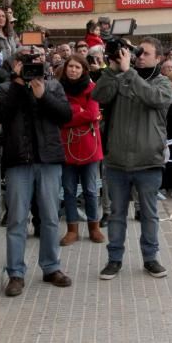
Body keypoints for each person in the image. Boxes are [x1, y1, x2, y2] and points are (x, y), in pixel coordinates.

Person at [0, 48, 73, 295]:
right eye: (27, 63)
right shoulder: (6, 89)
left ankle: (51, 268)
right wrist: (17, 85)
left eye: (37, 62)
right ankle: (15, 273)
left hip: (48, 160)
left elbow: (65, 116)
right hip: (19, 161)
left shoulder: (53, 86)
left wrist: (43, 96)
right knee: (17, 219)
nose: (32, 67)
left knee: (49, 217)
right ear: (16, 65)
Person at [92, 36, 172, 280]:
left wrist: (128, 73)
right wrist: (112, 70)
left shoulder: (163, 84)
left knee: (148, 214)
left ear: (158, 58)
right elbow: (99, 96)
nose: (139, 56)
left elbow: (153, 98)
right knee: (116, 214)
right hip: (117, 160)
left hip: (148, 161)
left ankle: (150, 258)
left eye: (145, 53)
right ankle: (114, 259)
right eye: (138, 53)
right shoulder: (122, 78)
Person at [58, 54, 105, 245]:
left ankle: (94, 228)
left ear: (84, 70)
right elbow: (59, 115)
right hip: (66, 146)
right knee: (68, 190)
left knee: (91, 189)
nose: (73, 70)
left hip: (89, 146)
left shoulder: (92, 88)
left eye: (77, 67)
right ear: (65, 68)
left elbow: (93, 113)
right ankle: (72, 229)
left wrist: (73, 110)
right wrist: (80, 112)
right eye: (71, 66)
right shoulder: (58, 88)